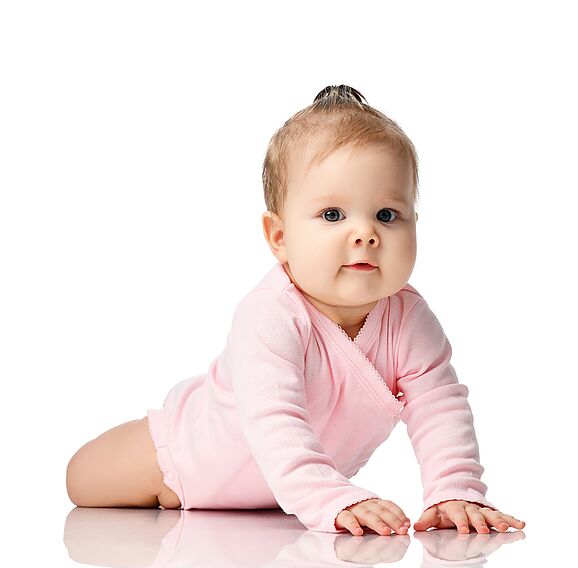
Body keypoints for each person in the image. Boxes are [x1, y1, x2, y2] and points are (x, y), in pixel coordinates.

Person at [66, 84, 526, 536]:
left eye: (388, 214)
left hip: (286, 497)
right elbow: (275, 420)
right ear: (279, 237)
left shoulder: (409, 321)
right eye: (332, 215)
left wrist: (454, 491)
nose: (365, 233)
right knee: (81, 478)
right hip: (182, 458)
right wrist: (333, 497)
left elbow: (440, 408)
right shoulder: (269, 314)